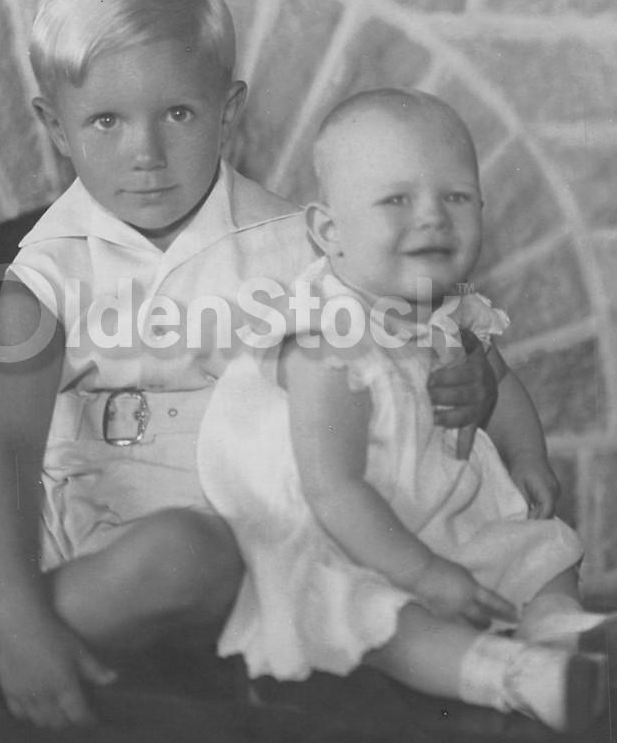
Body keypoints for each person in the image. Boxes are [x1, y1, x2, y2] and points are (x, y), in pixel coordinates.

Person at [0, 0, 495, 731]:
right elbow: (5, 446)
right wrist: (25, 583)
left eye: (178, 114)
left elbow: (409, 348)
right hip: (63, 509)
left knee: (183, 554)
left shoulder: (300, 246)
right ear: (55, 128)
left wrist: (469, 380)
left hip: (213, 534)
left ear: (227, 111)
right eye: (106, 121)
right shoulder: (49, 264)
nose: (145, 153)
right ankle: (28, 610)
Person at [197, 88, 613, 733]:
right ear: (329, 232)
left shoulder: (451, 310)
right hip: (344, 537)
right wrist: (421, 573)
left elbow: (499, 384)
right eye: (397, 200)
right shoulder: (325, 341)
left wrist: (527, 455)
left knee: (544, 550)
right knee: (377, 614)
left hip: (435, 514)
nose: (433, 219)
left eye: (456, 197)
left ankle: (556, 631)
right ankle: (511, 677)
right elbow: (331, 489)